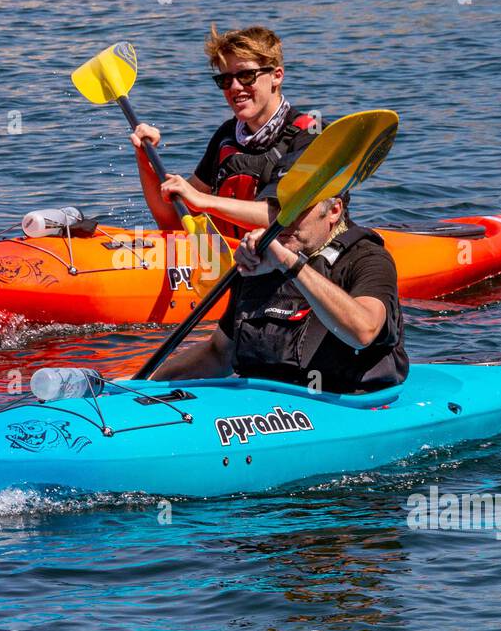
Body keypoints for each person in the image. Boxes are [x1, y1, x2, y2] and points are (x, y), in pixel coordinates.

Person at [150, 193, 409, 394]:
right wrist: (148, 383)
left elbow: (363, 331)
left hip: (349, 403)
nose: (283, 219)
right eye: (276, 207)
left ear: (333, 210)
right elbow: (219, 354)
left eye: (298, 208)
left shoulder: (368, 259)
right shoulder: (259, 263)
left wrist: (289, 263)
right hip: (262, 403)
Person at [130, 25, 318, 239]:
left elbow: (283, 215)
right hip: (236, 261)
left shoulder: (309, 135)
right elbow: (170, 219)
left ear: (277, 76)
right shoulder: (227, 136)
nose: (235, 87)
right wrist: (144, 157)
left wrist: (202, 200)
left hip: (297, 261)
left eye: (246, 75)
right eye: (225, 80)